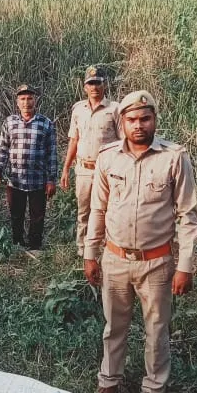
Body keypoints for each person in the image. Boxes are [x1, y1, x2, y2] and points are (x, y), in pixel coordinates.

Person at [84, 90, 197, 393]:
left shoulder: (174, 157)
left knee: (156, 329)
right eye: (132, 119)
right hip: (115, 258)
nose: (138, 126)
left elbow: (188, 216)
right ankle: (109, 381)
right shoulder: (108, 158)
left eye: (145, 119)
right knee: (114, 325)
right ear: (122, 122)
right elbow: (98, 209)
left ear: (155, 120)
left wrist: (185, 266)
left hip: (158, 263)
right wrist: (90, 254)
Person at [59, 66, 120, 259]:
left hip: (107, 171)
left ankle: (105, 248)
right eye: (90, 83)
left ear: (104, 84)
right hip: (84, 169)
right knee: (84, 210)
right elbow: (74, 140)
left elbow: (122, 143)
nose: (94, 87)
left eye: (98, 83)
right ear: (85, 87)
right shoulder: (78, 110)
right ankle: (82, 248)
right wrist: (66, 168)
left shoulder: (115, 109)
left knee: (107, 210)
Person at [0, 84, 57, 257]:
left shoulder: (46, 124)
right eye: (22, 99)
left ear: (35, 101)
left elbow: (52, 153)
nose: (26, 102)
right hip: (15, 180)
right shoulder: (9, 122)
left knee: (37, 215)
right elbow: (3, 148)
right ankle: (17, 244)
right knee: (16, 214)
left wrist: (51, 179)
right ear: (17, 102)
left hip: (38, 179)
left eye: (29, 98)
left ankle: (35, 246)